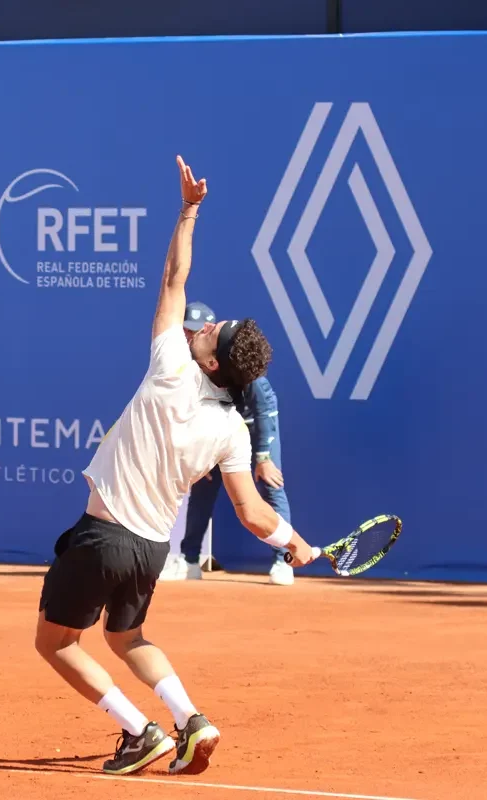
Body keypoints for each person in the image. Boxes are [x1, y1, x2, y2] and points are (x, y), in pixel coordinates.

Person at [34, 155, 316, 778]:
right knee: (126, 639)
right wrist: (292, 541)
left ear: (212, 361)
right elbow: (250, 511)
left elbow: (172, 278)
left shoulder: (171, 367)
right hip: (149, 551)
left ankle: (139, 732)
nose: (206, 324)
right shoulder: (230, 430)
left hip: (104, 537)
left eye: (215, 332)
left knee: (54, 642)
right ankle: (193, 721)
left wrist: (189, 210)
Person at [159, 301, 295, 585]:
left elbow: (264, 412)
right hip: (215, 432)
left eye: (194, 330)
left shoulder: (235, 364)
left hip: (255, 430)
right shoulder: (186, 364)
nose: (189, 335)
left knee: (270, 487)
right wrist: (198, 452)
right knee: (202, 491)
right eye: (185, 329)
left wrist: (263, 457)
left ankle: (284, 560)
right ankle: (189, 560)